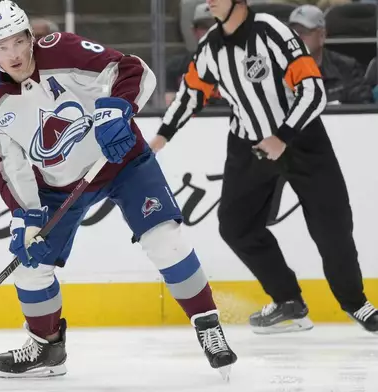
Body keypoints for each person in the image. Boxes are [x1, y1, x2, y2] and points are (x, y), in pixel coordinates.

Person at [0, 0, 237, 380]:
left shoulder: (63, 49)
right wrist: (26, 217)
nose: (11, 54)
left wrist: (115, 112)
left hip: (123, 161)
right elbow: (9, 167)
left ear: (31, 37)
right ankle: (47, 348)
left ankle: (208, 325)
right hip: (59, 189)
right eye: (0, 46)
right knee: (30, 270)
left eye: (17, 41)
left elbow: (132, 70)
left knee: (167, 240)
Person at [150, 0, 378, 335]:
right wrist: (159, 139)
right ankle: (288, 301)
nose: (209, 1)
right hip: (249, 146)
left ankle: (355, 302)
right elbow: (190, 95)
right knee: (236, 226)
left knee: (332, 225)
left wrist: (282, 136)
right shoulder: (211, 45)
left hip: (301, 138)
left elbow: (313, 91)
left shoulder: (272, 31)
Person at [287, 4, 373, 104]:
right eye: (292, 32)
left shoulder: (347, 69)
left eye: (303, 32)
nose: (296, 37)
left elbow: (364, 111)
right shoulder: (277, 68)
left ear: (322, 36)